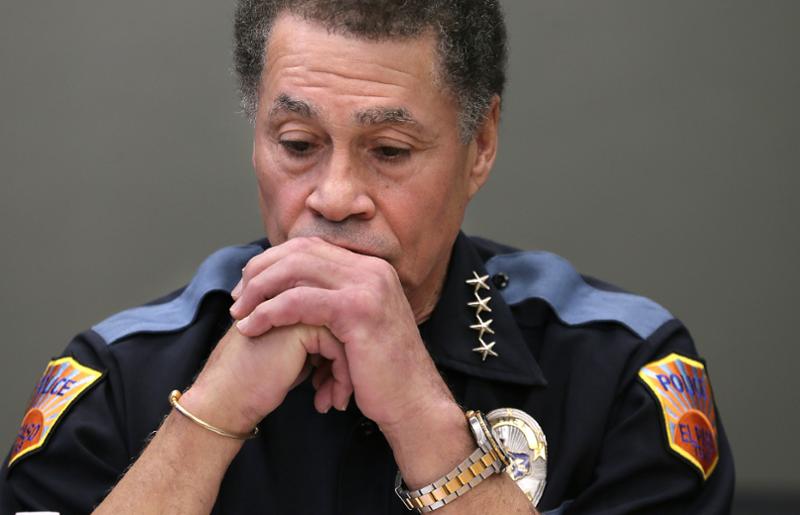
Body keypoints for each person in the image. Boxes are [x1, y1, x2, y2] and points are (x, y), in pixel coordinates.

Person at [0, 1, 734, 514]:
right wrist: (209, 416)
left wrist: (422, 416)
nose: (335, 196)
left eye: (389, 151)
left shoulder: (623, 372)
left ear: (480, 146)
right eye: (297, 144)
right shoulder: (120, 376)